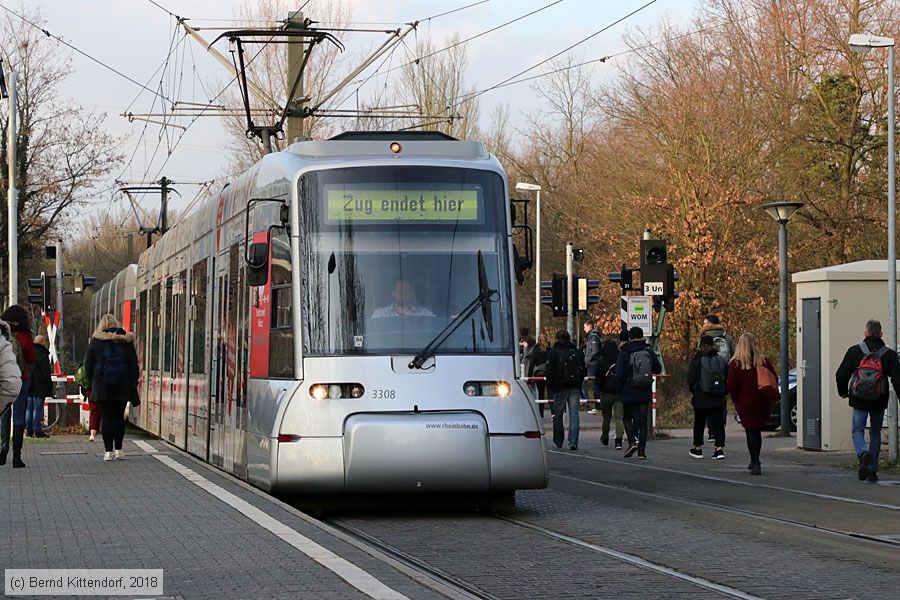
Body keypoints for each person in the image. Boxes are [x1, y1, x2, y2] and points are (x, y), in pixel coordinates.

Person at [835, 319, 900, 483]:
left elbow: (840, 374)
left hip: (859, 400)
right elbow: (898, 379)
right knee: (875, 433)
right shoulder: (889, 354)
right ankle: (872, 470)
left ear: (865, 333)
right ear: (881, 334)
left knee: (857, 430)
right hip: (879, 400)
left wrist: (843, 392)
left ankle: (863, 453)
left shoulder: (855, 351)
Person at [84, 314, 140, 461]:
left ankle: (108, 452)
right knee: (118, 418)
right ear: (116, 324)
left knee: (107, 418)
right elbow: (134, 365)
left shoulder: (96, 342)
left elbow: (88, 366)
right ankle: (119, 450)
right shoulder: (126, 341)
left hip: (102, 387)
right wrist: (133, 382)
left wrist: (93, 382)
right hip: (122, 386)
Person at [726, 332, 776, 475]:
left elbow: (731, 385)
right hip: (762, 401)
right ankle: (755, 460)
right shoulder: (763, 361)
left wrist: (736, 400)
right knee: (757, 431)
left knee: (750, 431)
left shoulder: (735, 364)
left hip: (745, 402)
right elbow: (774, 378)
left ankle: (755, 461)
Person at [616, 327, 662, 459]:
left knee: (627, 418)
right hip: (644, 390)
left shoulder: (624, 352)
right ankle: (641, 451)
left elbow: (620, 374)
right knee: (643, 422)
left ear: (630, 337)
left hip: (629, 390)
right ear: (642, 336)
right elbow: (657, 368)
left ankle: (632, 441)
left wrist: (620, 391)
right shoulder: (647, 350)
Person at [0, 305, 36, 469]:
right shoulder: (25, 336)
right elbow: (30, 358)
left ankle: (3, 447)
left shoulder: (2, 334)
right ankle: (17, 457)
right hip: (20, 380)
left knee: (4, 415)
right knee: (19, 417)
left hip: (2, 381)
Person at [688, 335, 729, 459]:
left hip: (701, 397)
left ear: (701, 345)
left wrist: (695, 391)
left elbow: (691, 380)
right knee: (718, 423)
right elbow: (726, 379)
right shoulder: (721, 360)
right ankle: (719, 449)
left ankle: (698, 448)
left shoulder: (697, 360)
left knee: (699, 423)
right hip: (718, 397)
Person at [544, 330, 586, 451]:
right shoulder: (577, 351)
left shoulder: (554, 352)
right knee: (574, 414)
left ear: (557, 339)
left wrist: (551, 386)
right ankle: (573, 441)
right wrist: (579, 382)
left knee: (558, 415)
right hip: (575, 387)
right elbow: (583, 369)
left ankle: (558, 440)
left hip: (560, 387)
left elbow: (549, 372)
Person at [700, 314, 735, 441]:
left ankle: (711, 431)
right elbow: (733, 355)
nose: (703, 325)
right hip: (723, 374)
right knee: (721, 402)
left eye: (705, 323)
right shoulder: (727, 337)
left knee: (708, 401)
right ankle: (720, 427)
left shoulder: (703, 338)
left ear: (710, 324)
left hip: (706, 375)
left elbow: (699, 357)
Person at [597, 334, 625, 449]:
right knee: (619, 418)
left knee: (606, 418)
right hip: (618, 393)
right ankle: (618, 440)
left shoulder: (601, 362)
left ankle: (605, 436)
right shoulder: (620, 360)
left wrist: (601, 389)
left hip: (606, 393)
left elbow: (598, 378)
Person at [0, 320, 22, 450]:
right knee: (18, 416)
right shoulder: (5, 340)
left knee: (6, 419)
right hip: (21, 382)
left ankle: (5, 445)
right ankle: (15, 453)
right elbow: (11, 383)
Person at [26, 334, 53, 438]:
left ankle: (29, 431)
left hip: (29, 386)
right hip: (40, 387)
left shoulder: (28, 353)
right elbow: (46, 374)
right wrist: (49, 387)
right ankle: (37, 430)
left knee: (29, 410)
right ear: (43, 342)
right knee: (37, 410)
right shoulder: (43, 355)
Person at [583, 320, 602, 415]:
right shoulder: (592, 336)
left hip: (593, 364)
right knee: (594, 385)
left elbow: (595, 350)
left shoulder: (593, 337)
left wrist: (588, 359)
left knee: (595, 386)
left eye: (585, 327)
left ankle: (598, 406)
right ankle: (598, 405)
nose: (584, 329)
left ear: (589, 326)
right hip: (592, 364)